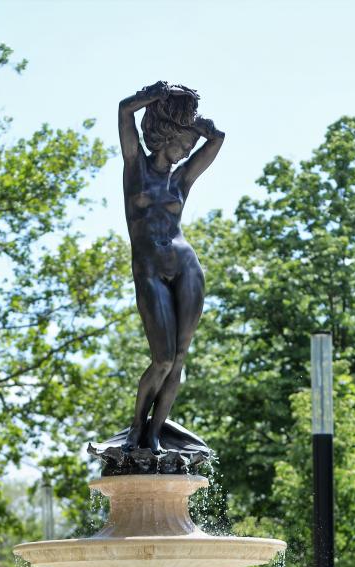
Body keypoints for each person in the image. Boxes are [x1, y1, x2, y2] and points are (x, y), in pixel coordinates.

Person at [117, 81, 224, 456]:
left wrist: (194, 122)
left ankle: (155, 435)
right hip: (149, 271)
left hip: (186, 268)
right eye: (183, 143)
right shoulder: (135, 168)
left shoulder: (182, 179)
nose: (186, 152)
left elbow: (217, 139)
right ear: (165, 138)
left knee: (178, 359)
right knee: (161, 358)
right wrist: (156, 95)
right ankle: (136, 428)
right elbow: (125, 110)